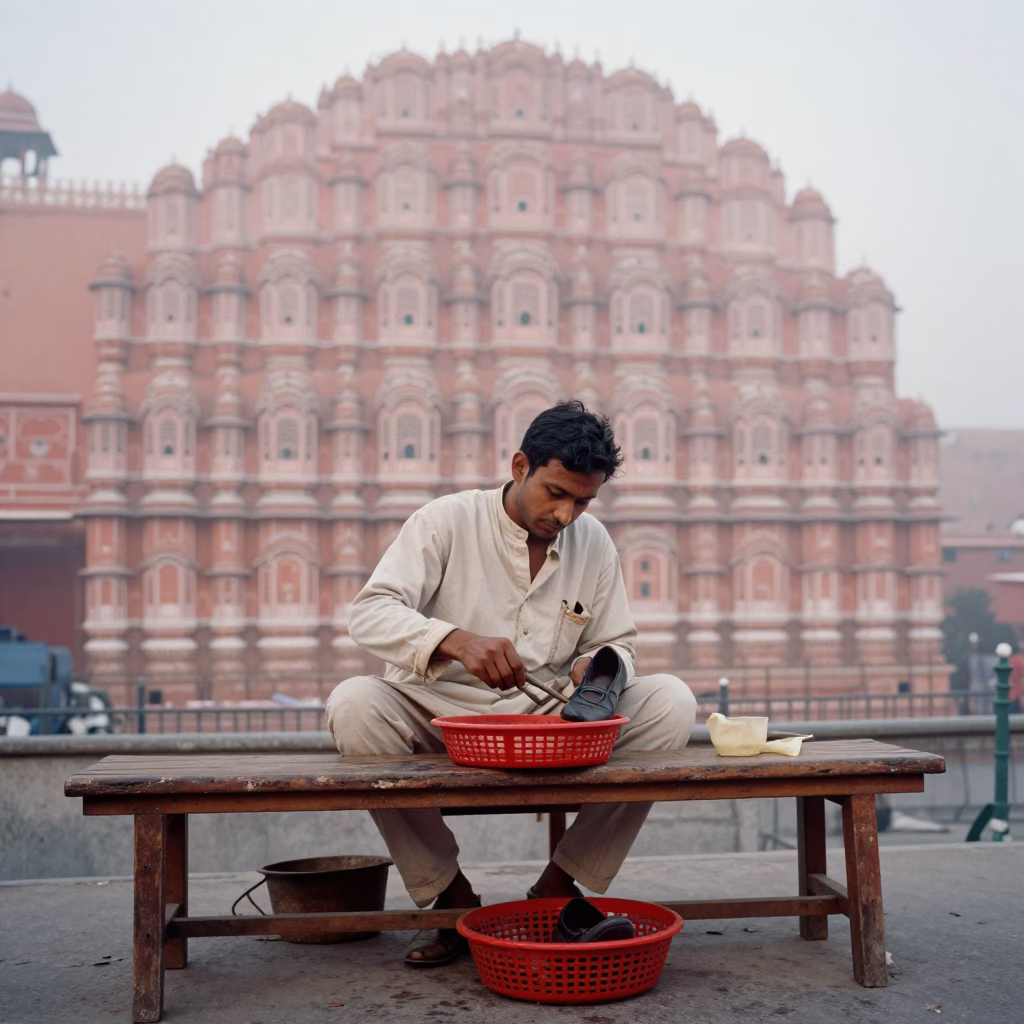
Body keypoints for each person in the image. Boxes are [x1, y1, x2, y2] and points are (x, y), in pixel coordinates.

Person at [325, 401, 697, 966]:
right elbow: (370, 612)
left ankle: (559, 885)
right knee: (353, 705)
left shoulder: (592, 542)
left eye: (583, 500)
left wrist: (593, 670)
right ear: (521, 465)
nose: (567, 514)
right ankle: (450, 900)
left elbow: (618, 642)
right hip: (437, 711)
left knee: (671, 701)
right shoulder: (445, 520)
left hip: (545, 717)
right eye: (555, 493)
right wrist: (455, 641)